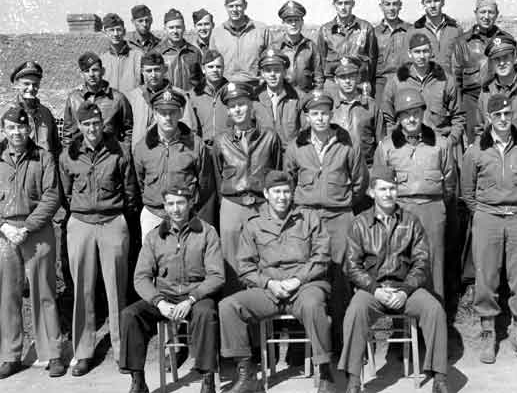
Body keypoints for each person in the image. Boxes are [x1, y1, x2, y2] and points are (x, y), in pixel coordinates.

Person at [219, 170, 335, 393]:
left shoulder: (308, 218)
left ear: (292, 193)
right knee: (229, 306)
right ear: (266, 194)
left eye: (286, 192)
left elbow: (322, 257)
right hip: (269, 289)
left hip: (306, 286)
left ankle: (325, 373)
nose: (282, 197)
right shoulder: (253, 223)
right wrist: (268, 284)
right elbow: (245, 267)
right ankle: (247, 375)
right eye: (276, 192)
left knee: (313, 305)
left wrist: (297, 280)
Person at [338, 165, 448, 393]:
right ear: (371, 193)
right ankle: (353, 381)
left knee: (434, 308)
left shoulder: (411, 221)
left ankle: (439, 378)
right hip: (372, 291)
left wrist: (405, 290)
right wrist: (374, 289)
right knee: (355, 311)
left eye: (392, 189)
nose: (388, 194)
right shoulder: (359, 223)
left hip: (405, 289)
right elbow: (351, 265)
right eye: (383, 189)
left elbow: (422, 262)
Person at [120, 185, 224, 393]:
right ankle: (138, 381)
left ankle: (207, 379)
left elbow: (217, 275)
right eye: (170, 204)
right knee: (130, 315)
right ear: (165, 206)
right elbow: (141, 277)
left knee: (206, 313)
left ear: (190, 203)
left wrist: (192, 299)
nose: (175, 209)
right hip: (165, 296)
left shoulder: (207, 232)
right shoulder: (154, 237)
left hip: (196, 295)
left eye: (180, 203)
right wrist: (159, 302)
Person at [59, 102, 138, 375]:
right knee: (83, 288)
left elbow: (130, 192)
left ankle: (121, 349)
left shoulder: (119, 150)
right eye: (86, 124)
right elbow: (66, 193)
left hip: (112, 221)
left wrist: (119, 217)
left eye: (96, 123)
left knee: (117, 288)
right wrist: (79, 212)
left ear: (102, 123)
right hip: (80, 223)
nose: (92, 129)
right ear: (79, 126)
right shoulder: (69, 154)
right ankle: (83, 351)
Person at [284, 89, 366, 352]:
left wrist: (339, 203)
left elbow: (359, 181)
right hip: (305, 218)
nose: (320, 118)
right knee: (304, 275)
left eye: (325, 113)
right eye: (314, 113)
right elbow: (289, 180)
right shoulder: (296, 145)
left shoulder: (347, 142)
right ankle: (304, 347)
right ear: (307, 117)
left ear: (332, 114)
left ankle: (344, 343)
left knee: (341, 278)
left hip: (339, 217)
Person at [461, 94, 517, 364]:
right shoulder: (476, 150)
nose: (504, 119)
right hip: (487, 217)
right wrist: (485, 213)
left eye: (507, 114)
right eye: (498, 115)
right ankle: (488, 332)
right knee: (486, 277)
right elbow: (467, 191)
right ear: (489, 118)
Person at [0, 106, 65, 379]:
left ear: (29, 129)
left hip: (36, 230)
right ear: (4, 130)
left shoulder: (43, 156)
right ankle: (10, 354)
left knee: (44, 292)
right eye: (11, 127)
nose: (17, 132)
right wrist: (4, 227)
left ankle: (53, 353)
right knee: (7, 295)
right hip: (4, 232)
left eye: (21, 127)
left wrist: (26, 228)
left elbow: (52, 196)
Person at [374, 88, 454, 301]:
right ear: (398, 118)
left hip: (432, 209)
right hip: (400, 211)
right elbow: (379, 185)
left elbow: (449, 184)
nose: (411, 118)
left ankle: (435, 318)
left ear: (422, 113)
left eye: (416, 113)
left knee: (434, 264)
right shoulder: (386, 147)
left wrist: (435, 205)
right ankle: (403, 318)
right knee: (401, 264)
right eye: (405, 114)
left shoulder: (441, 144)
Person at [212, 82, 282, 293]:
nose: (238, 110)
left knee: (264, 260)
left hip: (261, 206)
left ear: (251, 105)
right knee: (232, 263)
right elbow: (217, 176)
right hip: (232, 206)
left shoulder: (269, 137)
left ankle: (264, 313)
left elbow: (277, 172)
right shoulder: (221, 141)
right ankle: (233, 310)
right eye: (233, 106)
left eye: (242, 104)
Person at [133, 87, 215, 241]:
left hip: (186, 215)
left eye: (172, 112)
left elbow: (205, 185)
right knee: (153, 262)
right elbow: (140, 182)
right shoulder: (142, 147)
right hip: (153, 214)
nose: (168, 118)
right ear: (155, 114)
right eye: (163, 113)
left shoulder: (195, 145)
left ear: (181, 113)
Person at [381, 33, 464, 145]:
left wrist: (450, 141)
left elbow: (458, 116)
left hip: (438, 143)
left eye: (425, 51)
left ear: (431, 53)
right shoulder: (397, 82)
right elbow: (387, 117)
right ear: (409, 53)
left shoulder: (446, 80)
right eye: (417, 52)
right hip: (406, 145)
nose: (421, 56)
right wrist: (395, 141)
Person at [452, 0, 510, 144]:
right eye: (482, 12)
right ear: (475, 13)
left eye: (490, 12)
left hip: (500, 99)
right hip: (472, 102)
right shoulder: (462, 42)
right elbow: (456, 81)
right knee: (476, 145)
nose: (486, 16)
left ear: (497, 14)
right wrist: (458, 113)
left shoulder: (507, 40)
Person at [63, 51, 133, 148]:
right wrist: (69, 158)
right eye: (87, 71)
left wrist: (125, 152)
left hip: (109, 155)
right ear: (81, 74)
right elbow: (68, 134)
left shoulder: (117, 99)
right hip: (81, 157)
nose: (91, 74)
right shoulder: (74, 99)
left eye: (95, 70)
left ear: (102, 71)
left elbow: (128, 131)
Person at [317, 0, 377, 95]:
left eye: (347, 3)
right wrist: (320, 88)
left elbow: (372, 60)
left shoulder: (365, 28)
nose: (343, 7)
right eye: (339, 3)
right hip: (333, 85)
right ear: (334, 5)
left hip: (359, 84)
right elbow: (320, 62)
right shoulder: (325, 30)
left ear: (353, 4)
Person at [210, 0, 271, 86]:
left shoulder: (261, 30)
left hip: (255, 86)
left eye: (238, 6)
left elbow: (270, 59)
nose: (234, 9)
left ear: (245, 5)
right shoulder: (217, 33)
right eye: (231, 6)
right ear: (225, 7)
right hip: (226, 86)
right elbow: (211, 63)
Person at [0, 61, 61, 157]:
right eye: (26, 84)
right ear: (17, 85)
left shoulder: (46, 113)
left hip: (46, 169)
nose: (31, 88)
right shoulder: (5, 113)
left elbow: (56, 147)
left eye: (35, 84)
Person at [127, 52, 186, 150]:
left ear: (165, 70)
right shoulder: (133, 97)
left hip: (170, 153)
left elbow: (189, 128)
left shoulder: (179, 95)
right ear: (142, 71)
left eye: (157, 70)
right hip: (140, 154)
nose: (153, 75)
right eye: (149, 71)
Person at [331, 55, 380, 167]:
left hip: (367, 167)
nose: (347, 81)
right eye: (343, 77)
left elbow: (381, 142)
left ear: (358, 77)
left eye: (351, 76)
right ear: (336, 80)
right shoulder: (330, 106)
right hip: (337, 168)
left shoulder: (371, 105)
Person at [253, 48, 303, 150]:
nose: (272, 74)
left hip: (290, 156)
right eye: (268, 70)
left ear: (284, 72)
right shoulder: (254, 99)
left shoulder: (297, 98)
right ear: (262, 73)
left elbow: (306, 130)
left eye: (277, 70)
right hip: (264, 157)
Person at [270, 0, 323, 92]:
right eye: (289, 21)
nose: (293, 24)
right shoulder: (275, 47)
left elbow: (318, 77)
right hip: (283, 97)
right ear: (283, 23)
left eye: (296, 20)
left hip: (306, 96)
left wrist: (316, 95)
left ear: (302, 22)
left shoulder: (310, 46)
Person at [408, 0, 463, 72]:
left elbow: (462, 61)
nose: (433, 5)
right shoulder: (413, 31)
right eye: (428, 2)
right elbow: (407, 64)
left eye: (436, 1)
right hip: (427, 83)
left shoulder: (455, 30)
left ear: (443, 2)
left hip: (451, 83)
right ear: (423, 4)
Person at [373, 0, 412, 105]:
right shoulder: (374, 33)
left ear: (400, 6)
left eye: (395, 4)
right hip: (381, 83)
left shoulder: (410, 30)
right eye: (387, 4)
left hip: (405, 81)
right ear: (381, 6)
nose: (391, 8)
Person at [185, 50, 230, 146]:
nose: (215, 70)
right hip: (203, 149)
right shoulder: (193, 95)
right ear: (203, 69)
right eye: (210, 67)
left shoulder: (232, 93)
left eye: (218, 66)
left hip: (228, 147)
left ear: (223, 68)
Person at [154, 8, 203, 91]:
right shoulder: (157, 53)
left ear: (184, 28)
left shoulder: (194, 52)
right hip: (168, 100)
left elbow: (200, 80)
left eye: (178, 27)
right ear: (165, 29)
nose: (175, 31)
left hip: (191, 100)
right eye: (171, 28)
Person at [100, 13, 143, 94]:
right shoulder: (102, 60)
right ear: (105, 33)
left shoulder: (138, 56)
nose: (115, 34)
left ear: (124, 31)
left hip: (133, 104)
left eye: (118, 29)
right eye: (111, 30)